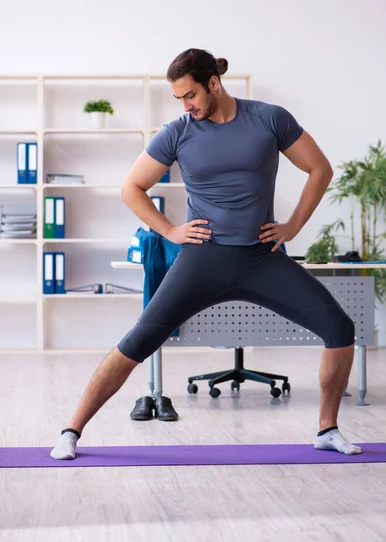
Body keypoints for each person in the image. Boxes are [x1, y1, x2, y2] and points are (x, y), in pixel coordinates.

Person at [51, 48, 361, 460]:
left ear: (213, 84)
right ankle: (71, 430)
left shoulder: (270, 118)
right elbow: (131, 188)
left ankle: (326, 429)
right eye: (179, 98)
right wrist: (169, 231)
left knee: (340, 329)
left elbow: (320, 168)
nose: (186, 105)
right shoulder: (178, 131)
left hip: (262, 257)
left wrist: (293, 227)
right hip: (203, 258)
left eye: (190, 95)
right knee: (138, 340)